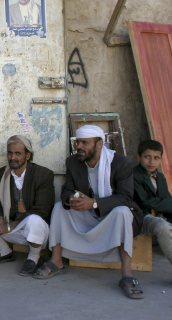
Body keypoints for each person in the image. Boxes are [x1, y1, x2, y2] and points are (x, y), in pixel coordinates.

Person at [34, 125, 144, 299]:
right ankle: (56, 261)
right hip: (87, 214)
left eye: (85, 143)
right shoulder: (73, 162)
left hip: (110, 217)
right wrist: (71, 199)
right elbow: (66, 190)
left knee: (123, 212)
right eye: (78, 142)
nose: (79, 146)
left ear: (99, 144)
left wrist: (93, 203)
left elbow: (125, 198)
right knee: (59, 208)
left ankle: (127, 274)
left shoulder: (121, 163)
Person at [0, 135, 55, 276]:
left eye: (18, 153)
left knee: (35, 220)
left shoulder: (43, 174)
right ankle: (5, 252)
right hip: (12, 229)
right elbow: (2, 206)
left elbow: (42, 211)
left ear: (27, 156)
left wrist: (8, 226)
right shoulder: (2, 174)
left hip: (36, 233)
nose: (12, 157)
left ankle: (34, 257)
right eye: (10, 153)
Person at [133, 140, 172, 267]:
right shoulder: (134, 175)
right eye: (147, 157)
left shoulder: (159, 177)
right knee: (163, 227)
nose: (151, 162)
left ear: (161, 159)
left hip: (160, 214)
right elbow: (146, 202)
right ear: (139, 157)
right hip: (143, 216)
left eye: (156, 158)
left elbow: (166, 198)